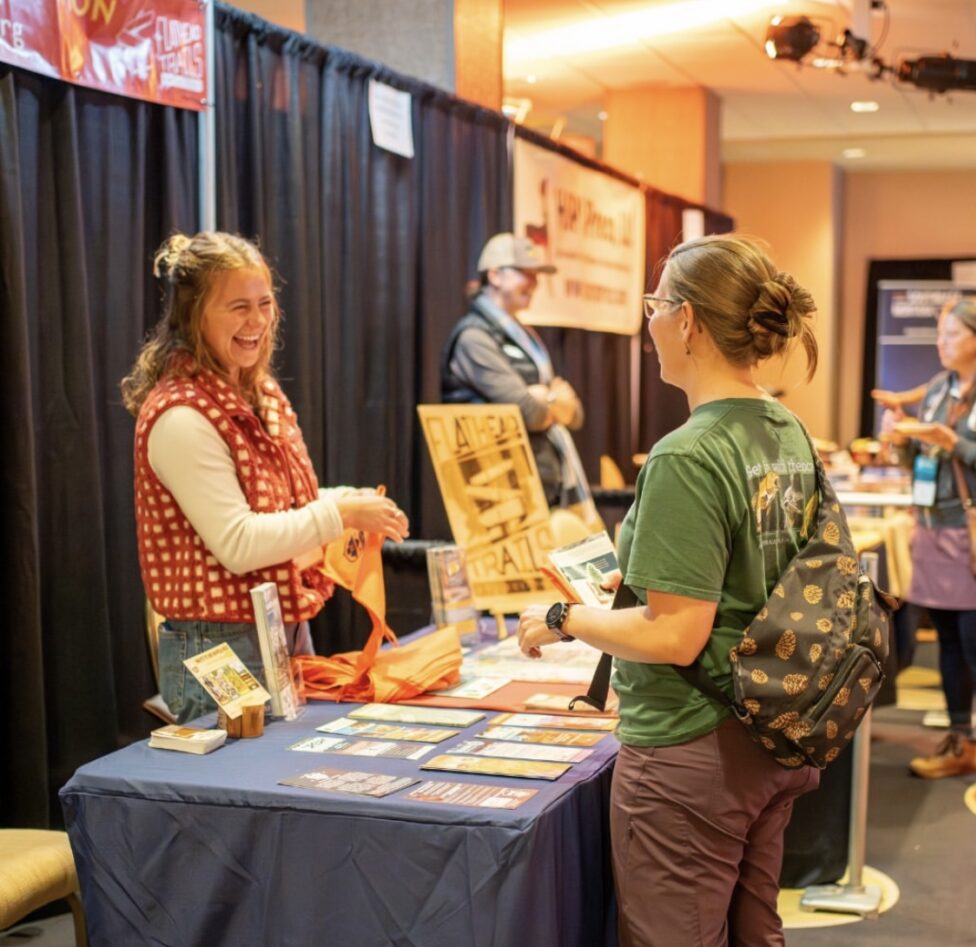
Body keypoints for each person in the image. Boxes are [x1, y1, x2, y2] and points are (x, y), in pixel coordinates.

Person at [518, 234, 821, 946]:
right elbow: (759, 570)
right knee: (756, 928)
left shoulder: (689, 451)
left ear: (687, 321)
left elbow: (675, 634)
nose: (648, 320)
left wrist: (567, 615)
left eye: (655, 304)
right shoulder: (786, 428)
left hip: (692, 747)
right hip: (770, 729)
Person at [121, 232, 409, 723]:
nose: (256, 322)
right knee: (237, 792)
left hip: (279, 629)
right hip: (219, 648)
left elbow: (279, 506)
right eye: (238, 307)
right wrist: (340, 513)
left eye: (265, 303)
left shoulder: (257, 393)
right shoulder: (182, 416)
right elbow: (239, 542)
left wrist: (345, 500)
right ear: (195, 316)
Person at [880, 297, 976, 805]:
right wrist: (898, 440)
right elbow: (922, 457)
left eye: (951, 334)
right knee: (945, 640)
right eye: (939, 333)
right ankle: (960, 743)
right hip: (934, 530)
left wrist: (953, 441)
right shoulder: (941, 387)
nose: (941, 342)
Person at [441, 233, 587, 509]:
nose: (535, 283)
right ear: (495, 275)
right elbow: (530, 412)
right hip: (499, 494)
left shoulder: (525, 336)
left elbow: (576, 414)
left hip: (539, 482)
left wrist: (545, 399)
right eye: (526, 274)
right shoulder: (474, 337)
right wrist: (553, 401)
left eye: (537, 275)